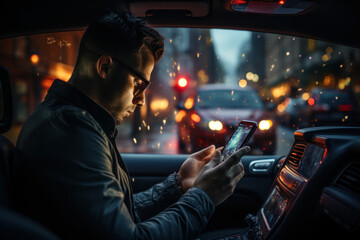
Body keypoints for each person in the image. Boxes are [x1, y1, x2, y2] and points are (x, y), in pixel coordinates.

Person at [13, 11, 250, 239]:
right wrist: (203, 196)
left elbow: (119, 215)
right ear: (105, 67)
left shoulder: (76, 123)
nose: (141, 99)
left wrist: (178, 185)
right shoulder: (71, 131)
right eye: (139, 83)